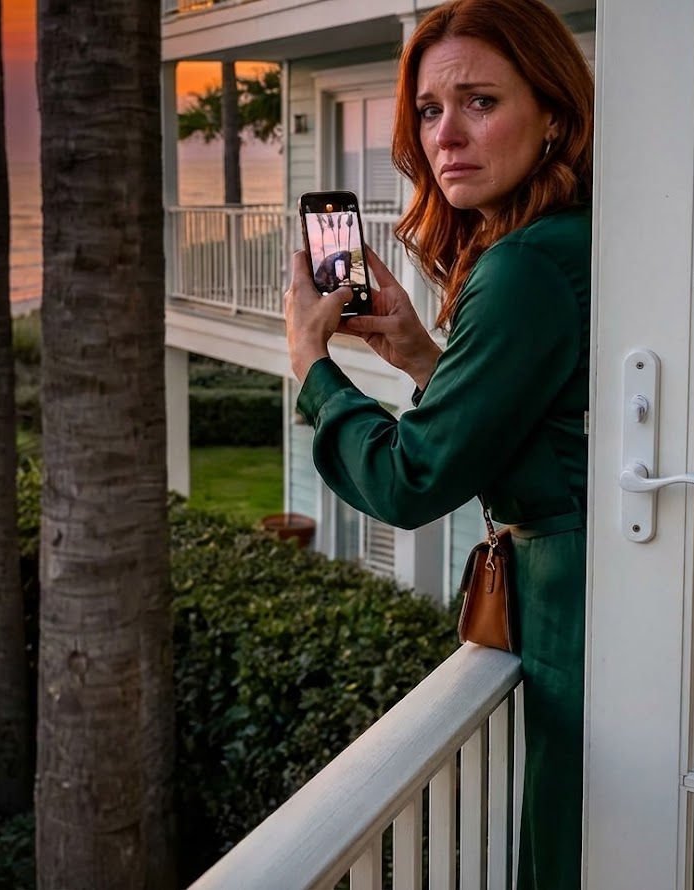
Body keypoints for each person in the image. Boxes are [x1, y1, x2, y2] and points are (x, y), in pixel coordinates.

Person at [283, 1, 593, 888]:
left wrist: (311, 362)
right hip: (638, 596)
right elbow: (531, 422)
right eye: (427, 110)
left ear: (555, 116)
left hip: (584, 614)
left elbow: (411, 479)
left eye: (480, 102)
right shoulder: (574, 240)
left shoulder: (524, 265)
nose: (445, 136)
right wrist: (420, 351)